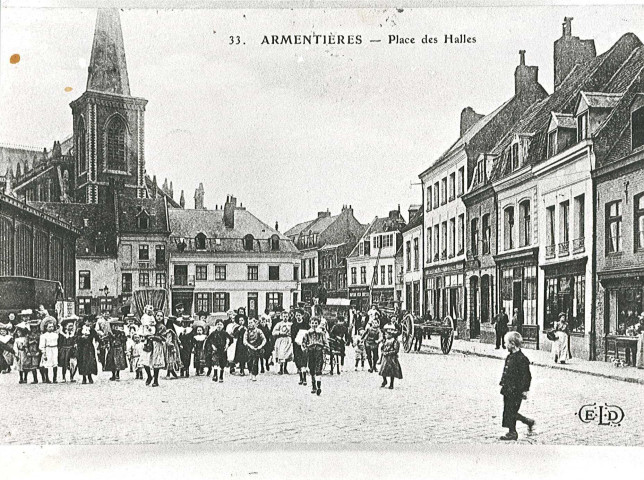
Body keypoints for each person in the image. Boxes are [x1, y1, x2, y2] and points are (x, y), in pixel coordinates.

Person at [499, 331, 535, 441]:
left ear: (513, 344)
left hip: (516, 390)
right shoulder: (510, 356)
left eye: (506, 343)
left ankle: (512, 432)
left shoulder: (521, 359)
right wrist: (503, 382)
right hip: (508, 389)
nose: (505, 345)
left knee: (511, 411)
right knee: (509, 410)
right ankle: (527, 421)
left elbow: (527, 376)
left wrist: (525, 390)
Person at [301, 316, 328, 396]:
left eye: (316, 323)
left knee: (318, 369)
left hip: (319, 352)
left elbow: (326, 342)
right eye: (312, 323)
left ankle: (319, 387)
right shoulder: (307, 333)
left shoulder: (322, 333)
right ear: (310, 324)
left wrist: (325, 347)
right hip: (310, 351)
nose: (314, 325)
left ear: (318, 324)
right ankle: (313, 386)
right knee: (311, 368)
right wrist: (305, 347)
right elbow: (304, 342)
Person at [76, 318, 99, 384]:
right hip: (82, 348)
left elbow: (96, 337)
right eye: (87, 321)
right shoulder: (80, 330)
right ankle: (84, 378)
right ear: (84, 321)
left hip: (89, 348)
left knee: (90, 362)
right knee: (82, 362)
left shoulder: (92, 330)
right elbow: (76, 338)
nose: (89, 323)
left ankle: (90, 376)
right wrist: (81, 337)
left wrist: (97, 346)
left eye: (90, 321)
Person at [379, 325, 403, 389]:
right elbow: (382, 347)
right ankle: (384, 381)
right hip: (385, 358)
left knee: (392, 371)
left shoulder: (395, 341)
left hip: (392, 358)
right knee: (383, 370)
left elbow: (395, 350)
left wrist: (388, 353)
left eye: (387, 334)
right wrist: (383, 352)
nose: (385, 335)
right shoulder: (385, 341)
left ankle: (391, 384)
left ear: (391, 335)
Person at [149, 311, 169, 387]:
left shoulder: (162, 327)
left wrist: (154, 337)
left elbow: (163, 338)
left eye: (161, 316)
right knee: (146, 361)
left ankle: (155, 380)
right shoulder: (152, 324)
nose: (159, 317)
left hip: (157, 345)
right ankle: (149, 376)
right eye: (157, 315)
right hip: (150, 344)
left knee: (156, 363)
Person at [291, 309, 309, 384]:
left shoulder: (306, 325)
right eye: (296, 315)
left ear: (302, 316)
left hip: (304, 345)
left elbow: (308, 334)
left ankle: (304, 378)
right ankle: (300, 378)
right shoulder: (293, 325)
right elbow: (292, 336)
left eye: (299, 315)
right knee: (297, 361)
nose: (298, 317)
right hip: (296, 345)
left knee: (303, 360)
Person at [39, 316, 59, 383]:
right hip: (48, 349)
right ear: (46, 327)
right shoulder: (44, 336)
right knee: (46, 363)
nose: (51, 328)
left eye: (52, 326)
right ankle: (47, 378)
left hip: (54, 349)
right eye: (49, 327)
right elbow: (42, 345)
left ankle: (55, 378)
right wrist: (44, 353)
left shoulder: (56, 335)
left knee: (55, 363)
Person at [58, 317, 77, 383]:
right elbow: (60, 343)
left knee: (73, 364)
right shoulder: (62, 334)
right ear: (66, 327)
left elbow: (75, 341)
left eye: (72, 326)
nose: (71, 327)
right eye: (69, 326)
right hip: (64, 350)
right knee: (64, 364)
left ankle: (72, 376)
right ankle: (63, 377)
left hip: (71, 350)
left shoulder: (73, 334)